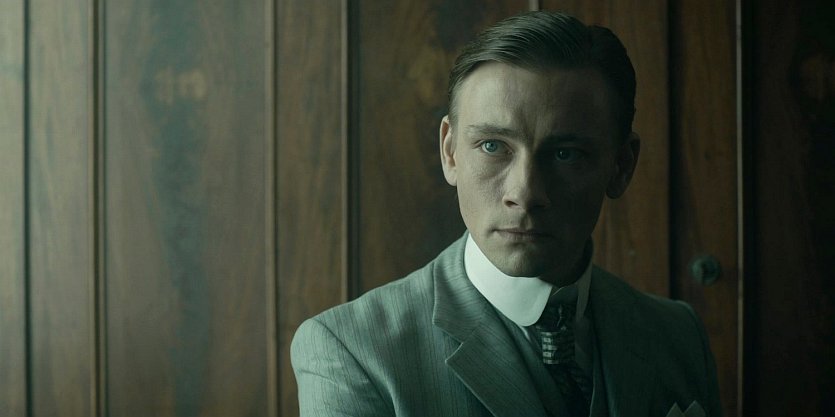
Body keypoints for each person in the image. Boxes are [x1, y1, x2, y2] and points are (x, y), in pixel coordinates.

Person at [292, 10, 722, 417]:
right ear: (450, 152)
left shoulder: (678, 334)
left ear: (622, 166)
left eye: (566, 154)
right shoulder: (352, 352)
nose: (526, 193)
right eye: (493, 146)